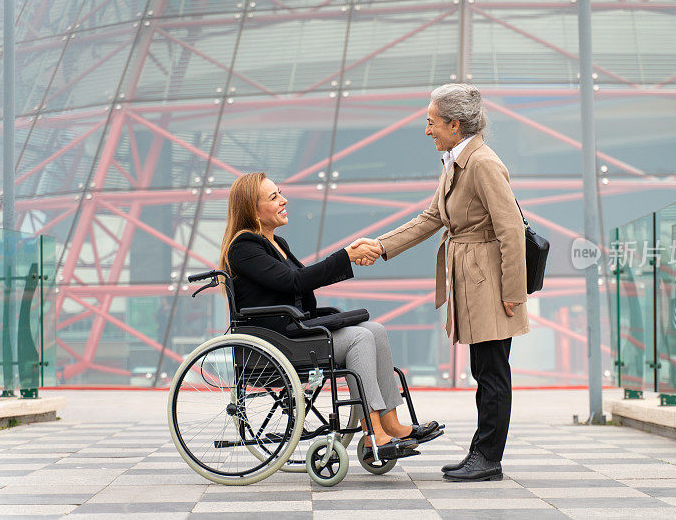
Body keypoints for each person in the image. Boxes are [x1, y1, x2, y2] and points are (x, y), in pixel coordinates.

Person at [352, 83, 528, 481]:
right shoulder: (456, 161)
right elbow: (432, 217)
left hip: (491, 284)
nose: (427, 130)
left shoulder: (482, 163)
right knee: (484, 370)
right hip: (472, 279)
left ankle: (487, 458)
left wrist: (513, 293)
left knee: (492, 373)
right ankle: (482, 454)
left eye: (431, 122)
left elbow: (511, 230)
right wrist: (381, 245)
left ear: (454, 124)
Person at [218, 172, 442, 462]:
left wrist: (345, 258)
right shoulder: (244, 248)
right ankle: (373, 430)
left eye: (280, 193)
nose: (283, 200)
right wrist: (346, 255)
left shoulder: (277, 244)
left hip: (292, 332)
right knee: (360, 337)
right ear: (252, 209)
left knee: (375, 329)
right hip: (276, 341)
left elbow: (298, 282)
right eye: (273, 197)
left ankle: (392, 424)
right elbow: (294, 282)